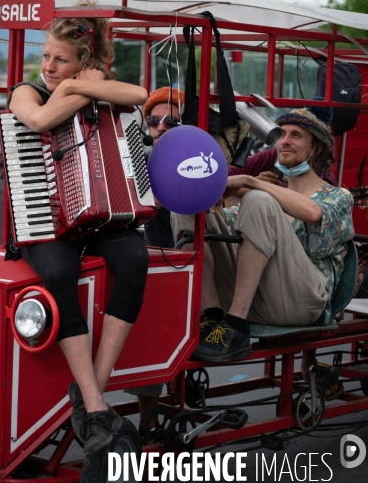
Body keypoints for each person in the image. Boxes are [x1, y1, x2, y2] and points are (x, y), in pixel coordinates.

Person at [7, 1, 149, 459]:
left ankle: (93, 398)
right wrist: (78, 85)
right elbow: (42, 120)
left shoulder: (102, 89)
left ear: (85, 61)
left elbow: (143, 95)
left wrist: (95, 86)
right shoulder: (25, 92)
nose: (48, 66)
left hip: (97, 216)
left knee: (135, 258)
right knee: (59, 273)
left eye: (61, 59)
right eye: (45, 56)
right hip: (43, 215)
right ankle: (95, 405)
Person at [193, 103, 355, 375]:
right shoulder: (267, 201)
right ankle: (213, 318)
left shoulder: (337, 196)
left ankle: (236, 323)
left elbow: (314, 213)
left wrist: (252, 182)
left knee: (259, 198)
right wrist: (211, 200)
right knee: (191, 202)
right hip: (263, 298)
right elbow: (224, 226)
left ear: (316, 147)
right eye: (281, 134)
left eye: (296, 135)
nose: (284, 141)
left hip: (304, 302)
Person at [126, 86, 238, 420]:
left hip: (195, 270)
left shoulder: (202, 164)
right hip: (154, 269)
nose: (160, 127)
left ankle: (212, 316)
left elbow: (226, 185)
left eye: (171, 121)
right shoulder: (136, 164)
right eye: (154, 120)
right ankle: (147, 419)